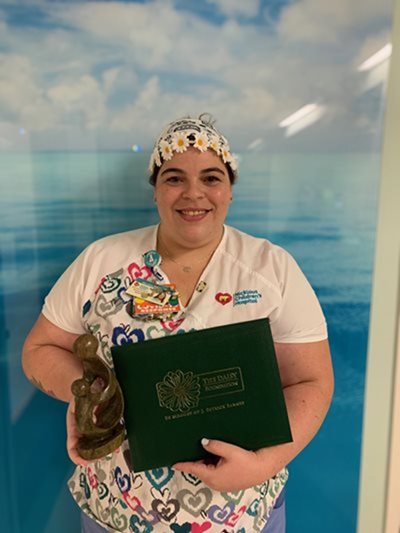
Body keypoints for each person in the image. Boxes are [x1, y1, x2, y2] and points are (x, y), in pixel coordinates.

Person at [22, 114, 334, 533]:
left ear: (229, 190)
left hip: (241, 514)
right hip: (116, 512)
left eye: (211, 177)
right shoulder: (101, 262)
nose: (194, 194)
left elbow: (312, 381)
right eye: (174, 178)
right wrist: (87, 393)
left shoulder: (270, 270)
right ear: (155, 190)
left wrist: (266, 462)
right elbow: (39, 350)